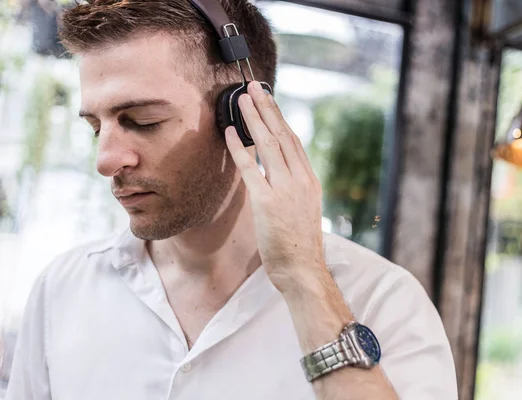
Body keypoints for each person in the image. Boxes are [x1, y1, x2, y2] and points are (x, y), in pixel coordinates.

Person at [6, 1, 457, 399]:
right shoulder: (64, 288)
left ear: (244, 116)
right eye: (95, 127)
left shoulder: (383, 301)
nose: (106, 160)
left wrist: (306, 284)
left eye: (142, 120)